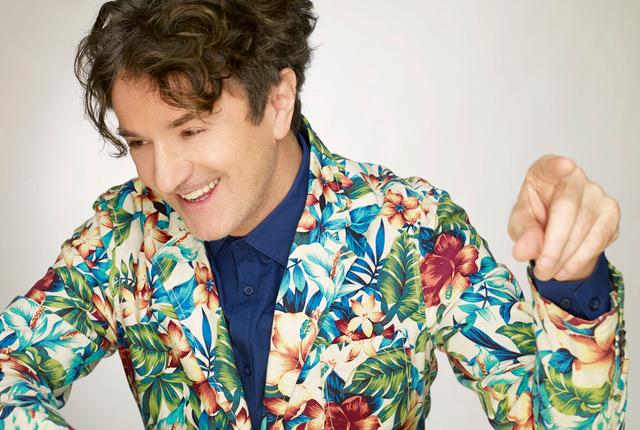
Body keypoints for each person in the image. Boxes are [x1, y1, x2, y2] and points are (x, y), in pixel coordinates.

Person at [0, 0, 629, 429]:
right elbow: (9, 370)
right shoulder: (122, 236)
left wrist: (572, 280)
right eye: (139, 141)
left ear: (277, 100)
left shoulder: (413, 228)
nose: (162, 177)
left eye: (190, 130)